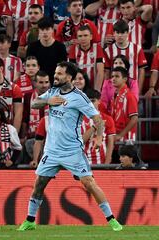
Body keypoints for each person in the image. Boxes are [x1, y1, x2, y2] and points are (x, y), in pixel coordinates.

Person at [17, 61, 123, 231]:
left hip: (72, 151)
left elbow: (97, 119)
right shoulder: (52, 92)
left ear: (69, 77)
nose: (55, 76)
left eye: (59, 74)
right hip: (51, 151)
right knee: (39, 183)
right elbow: (35, 103)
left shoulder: (79, 98)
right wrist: (48, 101)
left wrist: (98, 138)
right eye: (56, 73)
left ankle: (112, 220)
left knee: (89, 183)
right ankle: (30, 221)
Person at [104, 19, 147, 94]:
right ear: (113, 33)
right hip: (114, 91)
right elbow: (107, 72)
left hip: (132, 89)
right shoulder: (108, 51)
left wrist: (138, 91)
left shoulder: (137, 49)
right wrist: (107, 91)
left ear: (128, 33)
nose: (120, 35)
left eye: (123, 32)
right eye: (117, 32)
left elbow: (141, 71)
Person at [26, 17, 67, 84]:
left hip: (55, 82)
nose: (45, 32)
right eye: (42, 29)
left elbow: (62, 69)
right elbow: (29, 67)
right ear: (39, 31)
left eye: (47, 29)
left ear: (52, 30)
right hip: (37, 82)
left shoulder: (60, 47)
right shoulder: (32, 47)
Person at [82, 89, 116, 164]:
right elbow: (80, 141)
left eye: (93, 101)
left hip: (102, 162)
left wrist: (107, 164)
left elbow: (110, 143)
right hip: (83, 164)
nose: (90, 104)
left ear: (99, 101)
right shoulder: (79, 120)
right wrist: (94, 127)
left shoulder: (108, 119)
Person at [68, 25, 105, 91]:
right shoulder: (73, 48)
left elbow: (100, 71)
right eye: (80, 36)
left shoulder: (97, 48)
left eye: (85, 35)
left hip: (94, 87)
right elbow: (71, 72)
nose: (83, 38)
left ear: (91, 37)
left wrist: (96, 91)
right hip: (78, 88)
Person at [109, 66, 138, 142]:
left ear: (125, 79)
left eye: (117, 76)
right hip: (116, 136)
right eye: (112, 76)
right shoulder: (115, 95)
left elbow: (134, 118)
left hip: (126, 139)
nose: (113, 79)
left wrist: (120, 135)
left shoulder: (129, 95)